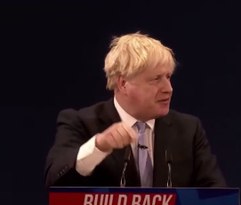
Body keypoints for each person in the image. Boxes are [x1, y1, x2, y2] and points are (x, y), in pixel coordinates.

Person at [44, 32, 227, 188]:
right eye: (156, 79)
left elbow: (216, 199)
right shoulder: (81, 122)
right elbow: (56, 180)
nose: (168, 88)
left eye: (168, 77)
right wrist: (99, 146)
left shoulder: (188, 129)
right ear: (123, 84)